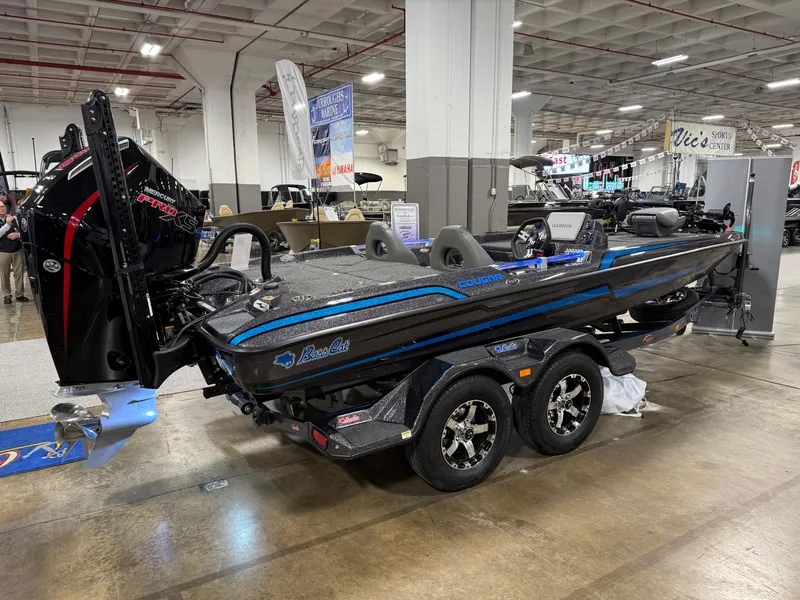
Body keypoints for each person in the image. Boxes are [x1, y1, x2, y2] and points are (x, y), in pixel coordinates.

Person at [0, 201, 27, 304]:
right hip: (3, 252)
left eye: (3, 206)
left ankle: (20, 294)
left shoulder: (14, 219)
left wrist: (18, 235)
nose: (2, 208)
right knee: (4, 274)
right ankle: (7, 295)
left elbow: (23, 231)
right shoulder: (7, 221)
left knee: (19, 273)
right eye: (0, 207)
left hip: (17, 250)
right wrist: (7, 224)